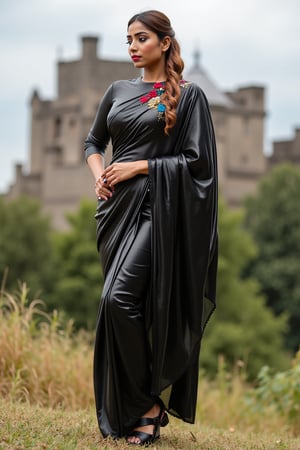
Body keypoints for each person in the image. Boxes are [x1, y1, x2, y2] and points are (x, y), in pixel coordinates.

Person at [84, 9, 218, 446]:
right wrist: (99, 173)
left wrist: (138, 167)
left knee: (118, 298)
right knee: (120, 307)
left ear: (164, 42)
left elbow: (198, 164)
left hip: (156, 212)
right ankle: (139, 409)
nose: (133, 47)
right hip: (114, 213)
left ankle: (146, 403)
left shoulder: (189, 96)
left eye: (141, 38)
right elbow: (92, 141)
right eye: (128, 40)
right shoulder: (118, 90)